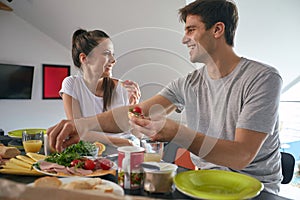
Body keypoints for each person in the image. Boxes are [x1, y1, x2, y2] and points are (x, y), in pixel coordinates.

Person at [48, 0, 282, 194]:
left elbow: (240, 155)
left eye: (191, 29)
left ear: (217, 30)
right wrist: (81, 125)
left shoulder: (262, 78)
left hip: (257, 193)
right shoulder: (189, 83)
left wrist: (176, 132)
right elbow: (135, 112)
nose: (183, 39)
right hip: (202, 184)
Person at [59, 28, 141, 149]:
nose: (113, 60)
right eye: (106, 54)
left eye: (113, 54)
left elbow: (136, 135)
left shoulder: (124, 88)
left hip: (126, 155)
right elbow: (78, 132)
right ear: (84, 59)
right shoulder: (72, 84)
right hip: (93, 159)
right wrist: (123, 142)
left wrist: (135, 109)